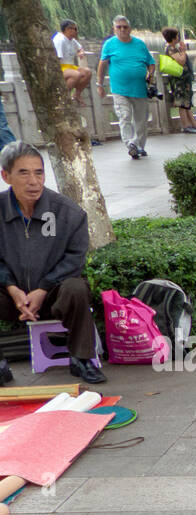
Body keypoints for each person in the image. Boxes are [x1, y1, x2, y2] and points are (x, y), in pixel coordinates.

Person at [0, 143, 103, 385]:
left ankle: (81, 359)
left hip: (54, 294)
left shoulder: (67, 212)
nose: (33, 181)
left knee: (77, 288)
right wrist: (12, 288)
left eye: (39, 172)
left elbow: (75, 258)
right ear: (6, 176)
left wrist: (43, 288)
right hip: (10, 295)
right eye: (24, 173)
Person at [97, 15, 156, 160]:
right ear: (114, 29)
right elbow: (102, 64)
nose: (122, 29)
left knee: (141, 120)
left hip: (140, 88)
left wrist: (151, 74)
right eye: (119, 27)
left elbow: (151, 62)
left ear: (130, 28)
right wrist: (100, 84)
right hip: (119, 89)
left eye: (125, 27)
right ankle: (130, 144)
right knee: (124, 116)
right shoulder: (110, 44)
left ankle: (139, 145)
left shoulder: (139, 44)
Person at [160, 27, 196, 133]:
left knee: (186, 103)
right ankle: (186, 126)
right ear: (173, 38)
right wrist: (183, 51)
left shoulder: (174, 48)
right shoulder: (170, 49)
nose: (178, 38)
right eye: (177, 36)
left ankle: (194, 124)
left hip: (183, 79)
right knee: (182, 103)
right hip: (178, 80)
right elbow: (181, 61)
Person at [52, 20, 91, 105]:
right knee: (76, 74)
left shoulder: (72, 40)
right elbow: (57, 59)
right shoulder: (60, 39)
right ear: (68, 29)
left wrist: (80, 52)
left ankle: (76, 94)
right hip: (60, 67)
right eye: (75, 29)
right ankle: (64, 96)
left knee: (87, 72)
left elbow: (80, 48)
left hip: (70, 67)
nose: (76, 31)